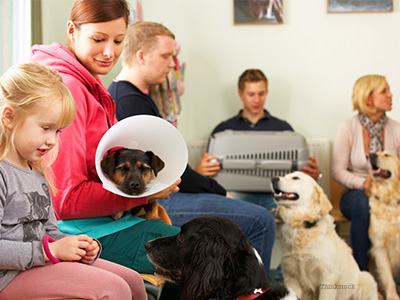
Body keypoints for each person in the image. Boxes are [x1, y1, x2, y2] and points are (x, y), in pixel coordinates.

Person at [108, 21, 276, 274]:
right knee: (261, 220)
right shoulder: (130, 102)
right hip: (162, 198)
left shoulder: (133, 97)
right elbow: (175, 174)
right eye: (166, 56)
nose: (173, 64)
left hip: (168, 192)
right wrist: (219, 191)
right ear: (141, 56)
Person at [30, 0, 180, 275]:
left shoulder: (91, 82)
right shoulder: (71, 89)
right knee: (208, 257)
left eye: (119, 40)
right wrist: (145, 195)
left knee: (207, 247)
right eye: (98, 39)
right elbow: (65, 201)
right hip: (79, 233)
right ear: (71, 31)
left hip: (104, 221)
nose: (109, 52)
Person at [0, 62, 147, 300]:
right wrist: (49, 251)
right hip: (8, 276)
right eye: (46, 128)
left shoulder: (38, 173)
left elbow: (48, 231)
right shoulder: (3, 174)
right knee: (114, 289)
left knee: (132, 280)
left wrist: (76, 246)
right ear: (9, 117)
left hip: (38, 262)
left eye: (57, 132)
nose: (51, 141)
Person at [195, 69, 321, 212]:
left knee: (303, 208)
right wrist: (199, 170)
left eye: (261, 94)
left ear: (267, 93)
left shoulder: (283, 129)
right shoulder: (223, 130)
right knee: (222, 207)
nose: (256, 100)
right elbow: (205, 166)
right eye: (251, 94)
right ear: (240, 94)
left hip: (276, 195)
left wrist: (315, 175)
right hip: (236, 194)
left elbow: (296, 176)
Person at [332, 74, 400, 271]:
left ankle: (387, 278)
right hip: (356, 193)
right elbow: (338, 171)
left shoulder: (396, 129)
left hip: (390, 195)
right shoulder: (347, 127)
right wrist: (363, 184)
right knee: (364, 203)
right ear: (368, 98)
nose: (390, 95)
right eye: (384, 91)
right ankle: (363, 276)